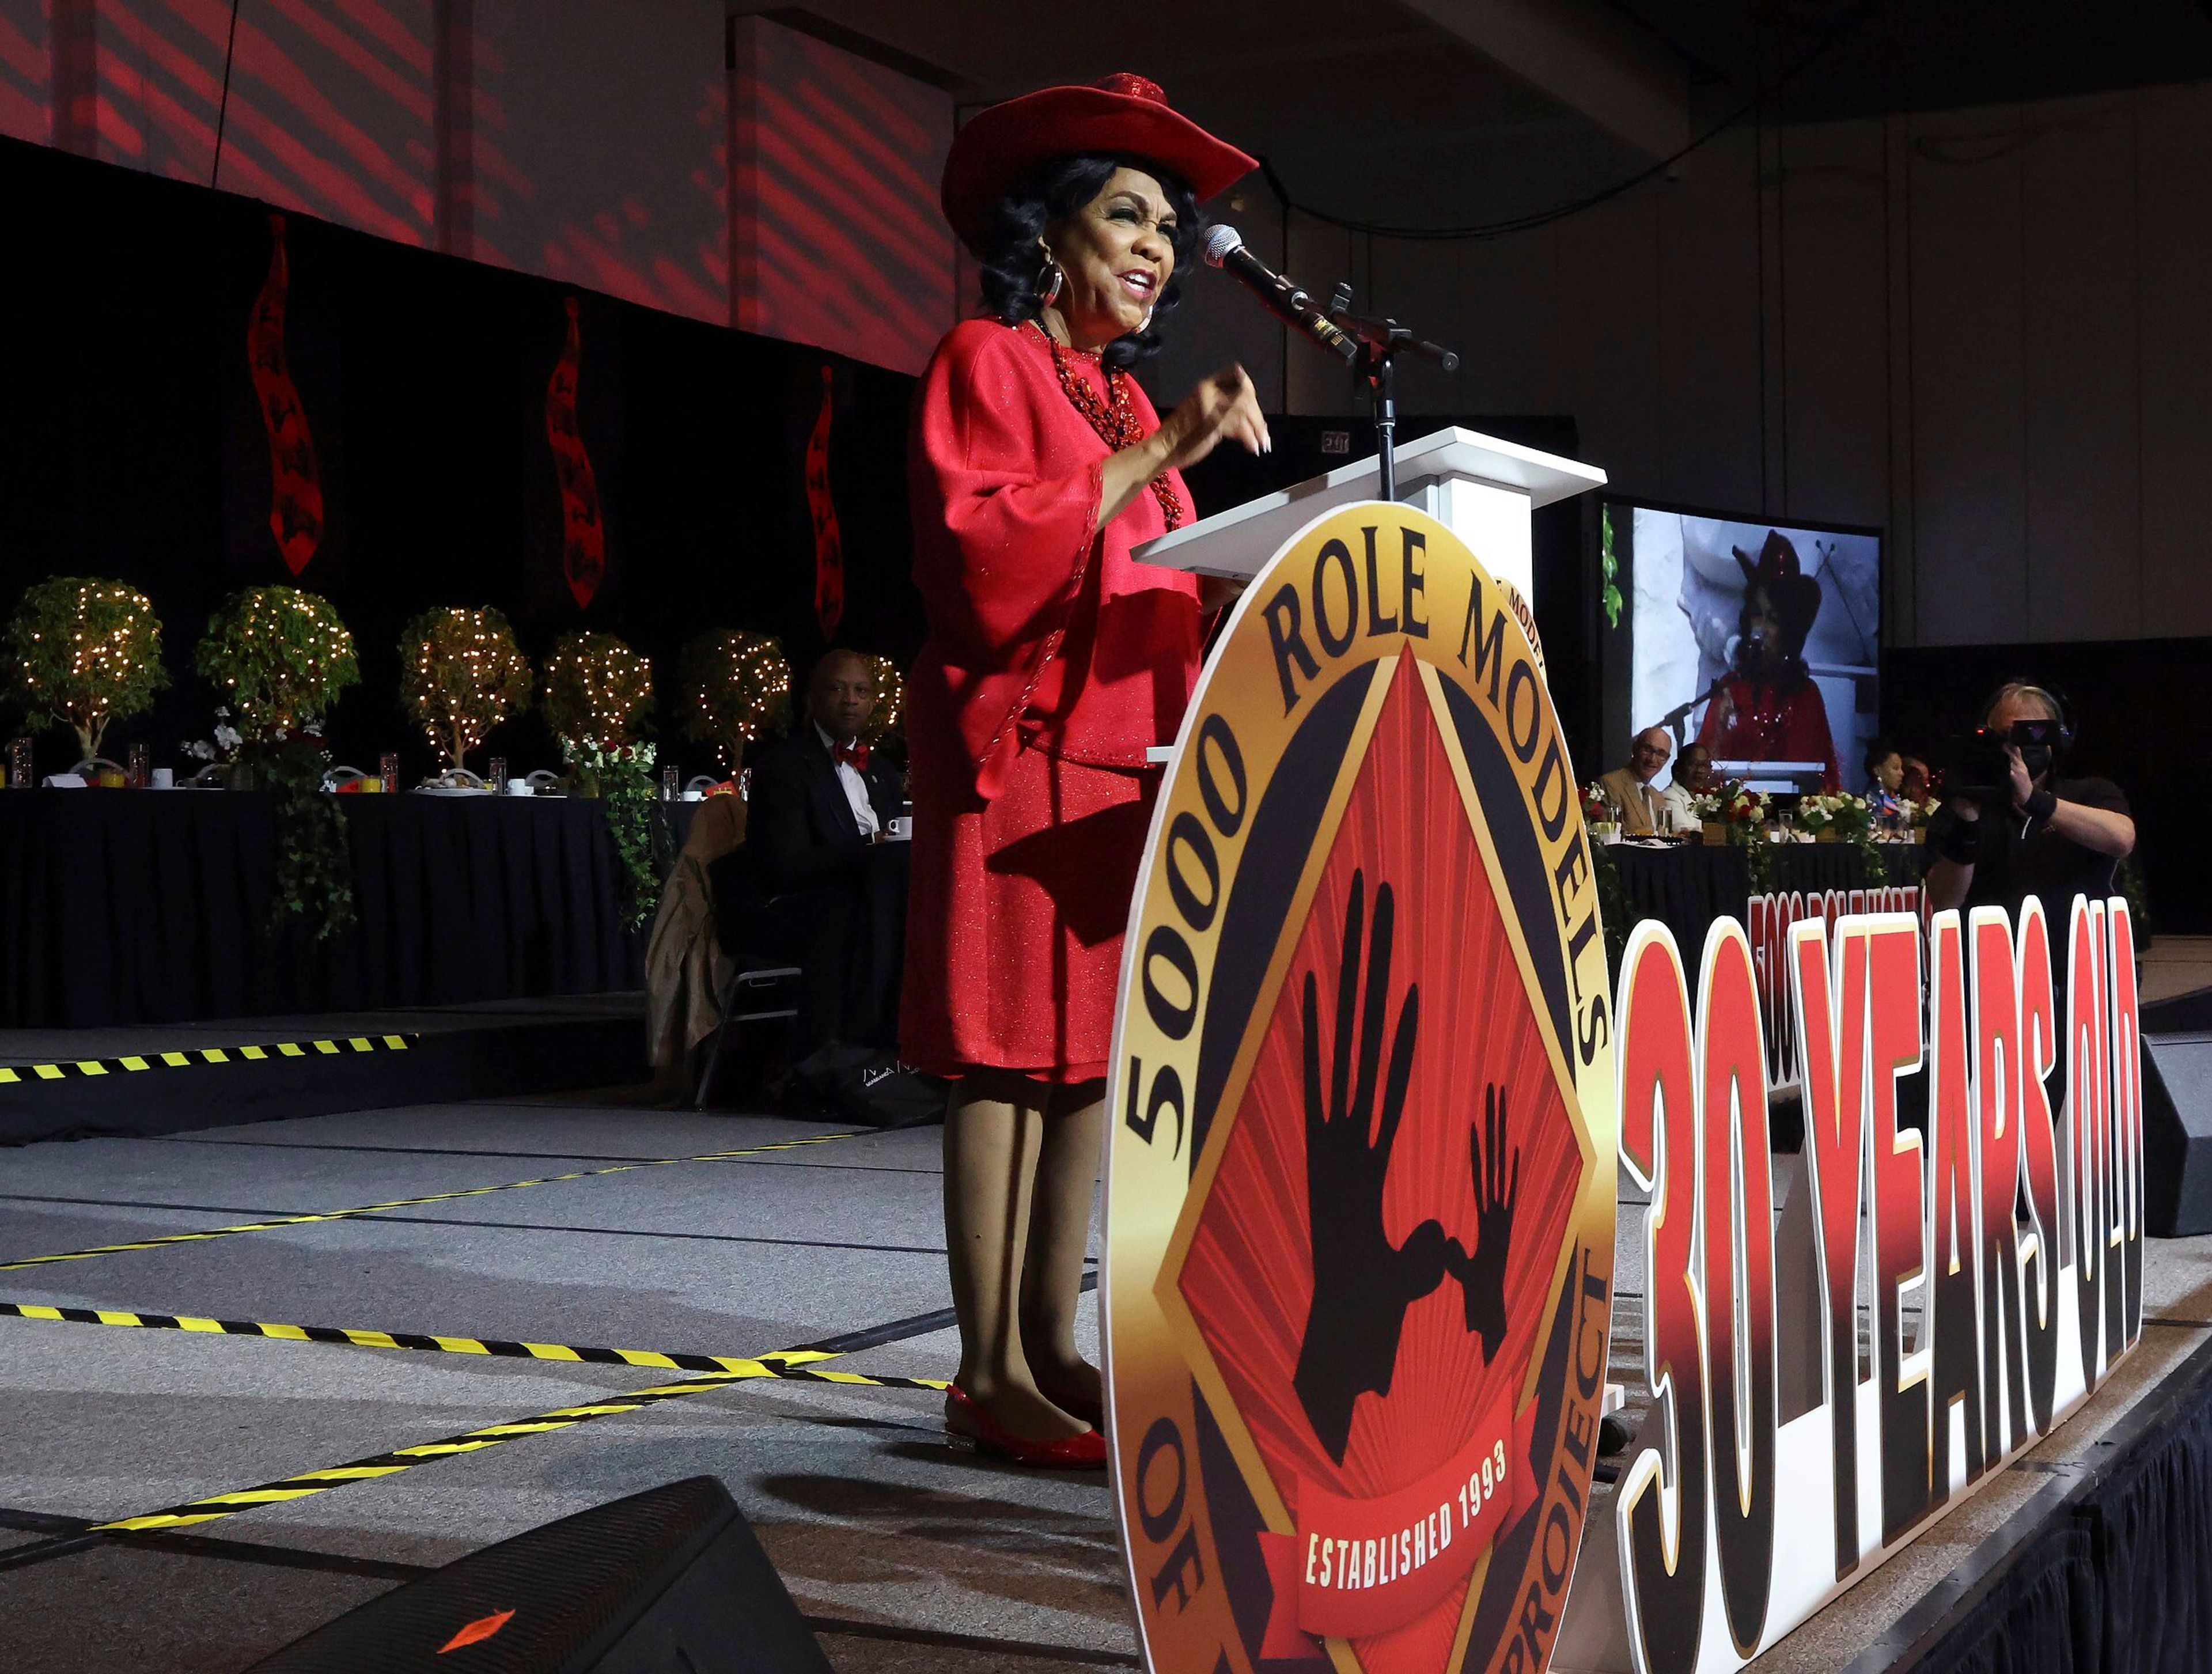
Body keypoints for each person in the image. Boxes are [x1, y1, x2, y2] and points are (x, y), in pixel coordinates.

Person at [904, 74, 1264, 1466]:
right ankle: (984, 1366)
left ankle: (1050, 1343)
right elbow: (982, 556)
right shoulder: (987, 361)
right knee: (1000, 1060)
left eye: (1168, 230)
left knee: (1084, 1073)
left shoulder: (1123, 403)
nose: (1157, 248)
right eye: (1126, 216)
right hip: (1020, 757)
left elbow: (1158, 583)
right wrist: (1162, 452)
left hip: (1123, 770)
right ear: (1047, 239)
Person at [721, 650, 911, 1069]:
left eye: (861, 691)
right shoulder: (784, 765)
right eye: (837, 689)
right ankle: (849, 1055)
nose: (850, 700)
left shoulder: (883, 771)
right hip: (792, 908)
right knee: (861, 905)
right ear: (812, 699)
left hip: (871, 899)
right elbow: (783, 865)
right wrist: (869, 847)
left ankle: (909, 1049)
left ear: (874, 702)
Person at [1924, 681, 2134, 931]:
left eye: (2031, 734)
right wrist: (1966, 828)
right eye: (2005, 736)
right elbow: (1945, 902)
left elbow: (2121, 839)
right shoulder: (1964, 807)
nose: (2016, 748)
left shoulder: (2090, 793)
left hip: (2080, 959)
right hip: (1992, 960)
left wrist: (2035, 800)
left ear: (2056, 739)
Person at [1695, 530, 1840, 790]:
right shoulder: (1729, 687)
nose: (1760, 627)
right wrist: (1720, 728)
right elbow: (1703, 773)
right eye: (1756, 614)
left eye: (1772, 618)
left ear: (1789, 631)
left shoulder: (1805, 694)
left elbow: (1820, 781)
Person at [1599, 728, 1674, 835]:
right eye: (1648, 750)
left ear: (1667, 759)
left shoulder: (1659, 798)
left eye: (1661, 754)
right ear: (1634, 748)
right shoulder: (1611, 784)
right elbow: (1612, 834)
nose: (1652, 759)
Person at [1659, 741, 1714, 831]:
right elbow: (1683, 832)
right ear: (1678, 767)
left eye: (1704, 765)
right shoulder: (1669, 796)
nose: (1700, 770)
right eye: (1694, 764)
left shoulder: (1708, 797)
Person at [1864, 737, 1904, 817]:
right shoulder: (1869, 802)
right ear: (1877, 771)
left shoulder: (1895, 800)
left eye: (1901, 768)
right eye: (1896, 768)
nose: (1902, 773)